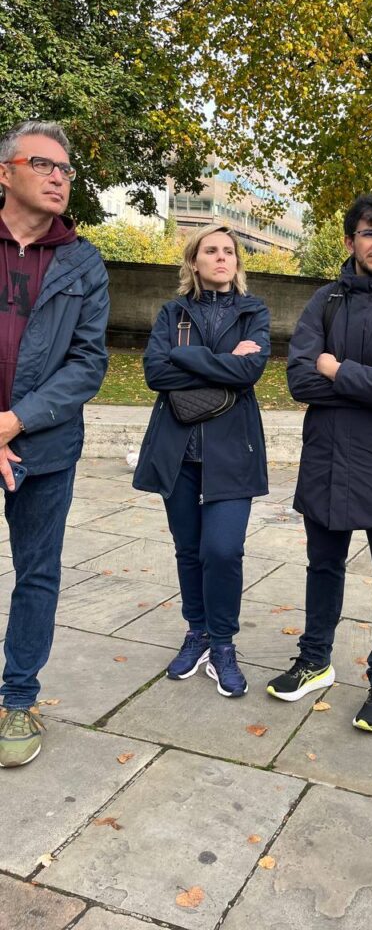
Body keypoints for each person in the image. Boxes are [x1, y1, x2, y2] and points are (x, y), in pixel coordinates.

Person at [267, 193, 372, 732]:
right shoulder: (326, 301)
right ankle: (315, 660)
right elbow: (299, 380)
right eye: (369, 233)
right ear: (350, 241)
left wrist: (336, 370)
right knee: (322, 566)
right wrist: (369, 376)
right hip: (327, 457)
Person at [0, 121, 109, 768]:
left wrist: (13, 422)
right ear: (6, 172)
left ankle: (18, 695)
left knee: (36, 574)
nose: (60, 176)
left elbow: (88, 363)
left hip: (44, 447)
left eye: (66, 169)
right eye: (44, 164)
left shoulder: (82, 261)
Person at [132, 225, 270, 699]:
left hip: (233, 452)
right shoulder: (174, 311)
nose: (220, 258)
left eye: (228, 251)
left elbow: (249, 370)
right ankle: (198, 632)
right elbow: (155, 372)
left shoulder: (254, 311)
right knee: (189, 550)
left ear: (237, 262)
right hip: (179, 452)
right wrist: (220, 359)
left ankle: (224, 644)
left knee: (223, 551)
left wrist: (185, 356)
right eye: (210, 250)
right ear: (193, 261)